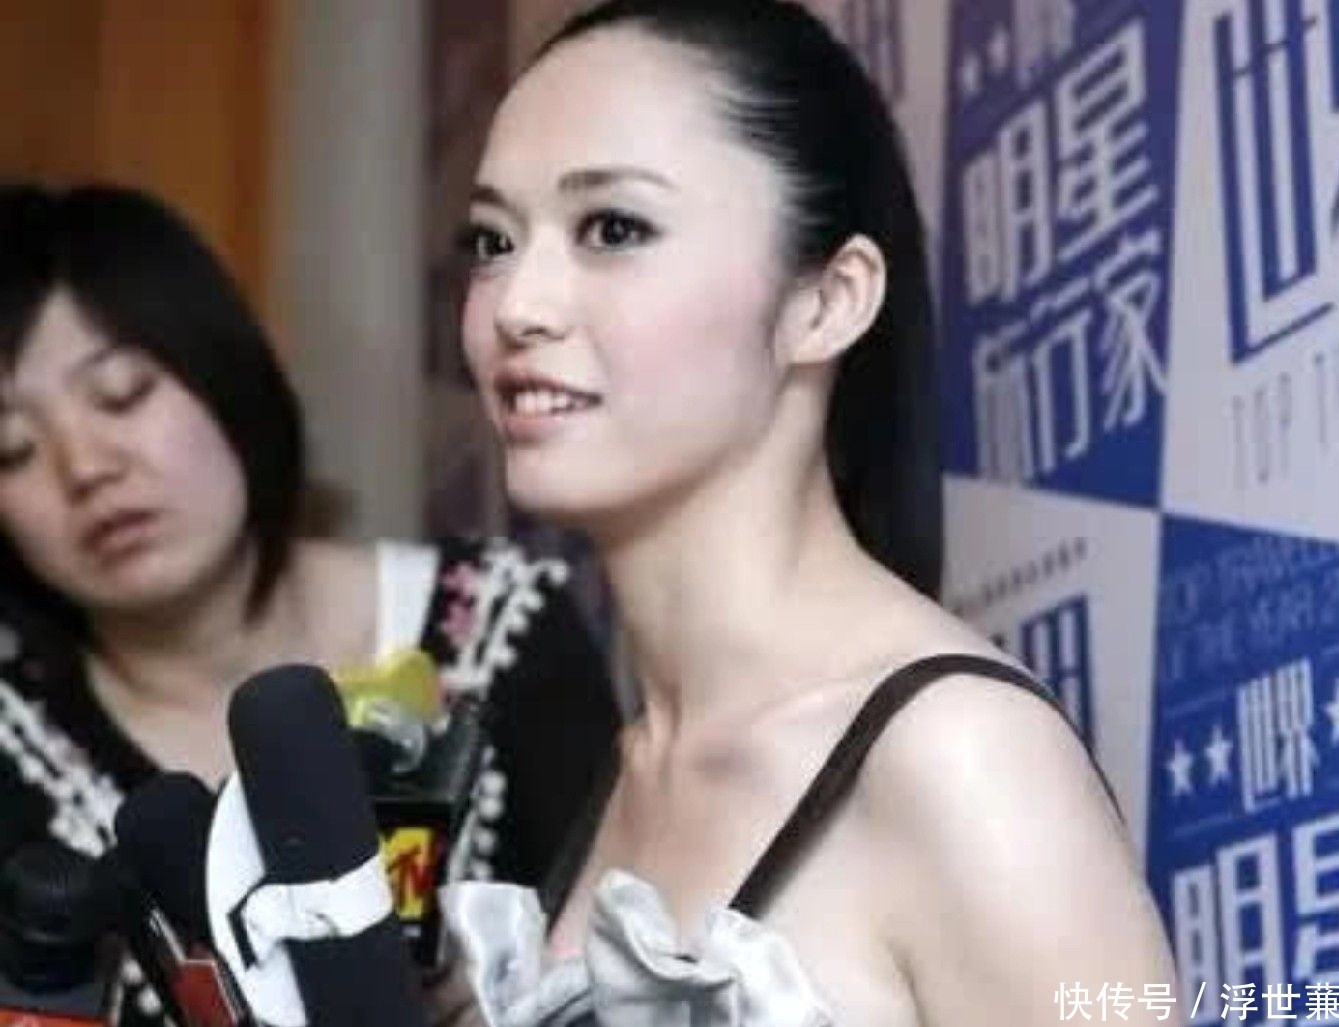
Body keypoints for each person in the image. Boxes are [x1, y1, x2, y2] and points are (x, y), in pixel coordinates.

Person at [441, 1, 1179, 1023]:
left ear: (828, 301)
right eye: (493, 241)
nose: (519, 306)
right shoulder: (631, 769)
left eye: (613, 229)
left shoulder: (960, 758)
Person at [0, 184, 620, 1024]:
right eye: (12, 449)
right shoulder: (13, 746)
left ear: (226, 375)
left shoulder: (503, 625)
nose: (86, 466)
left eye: (122, 394)